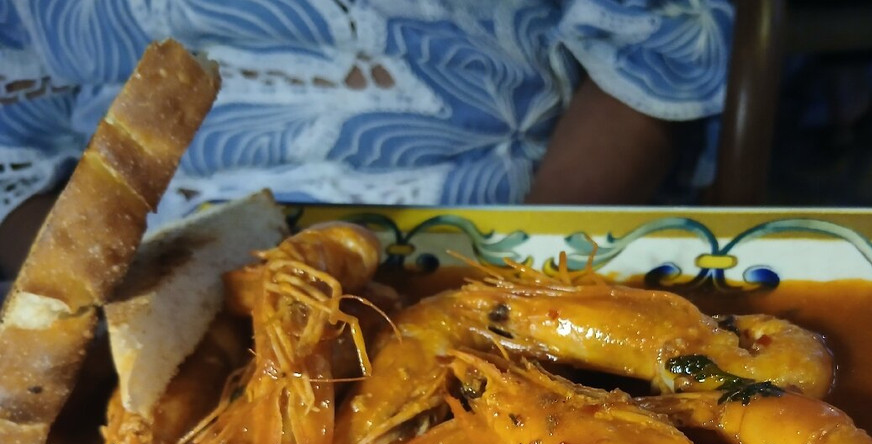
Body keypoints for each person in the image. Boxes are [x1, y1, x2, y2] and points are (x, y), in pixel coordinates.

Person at [0, 0, 734, 278]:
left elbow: (655, 51)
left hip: (487, 251)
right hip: (147, 270)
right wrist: (126, 299)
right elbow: (13, 166)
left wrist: (523, 278)